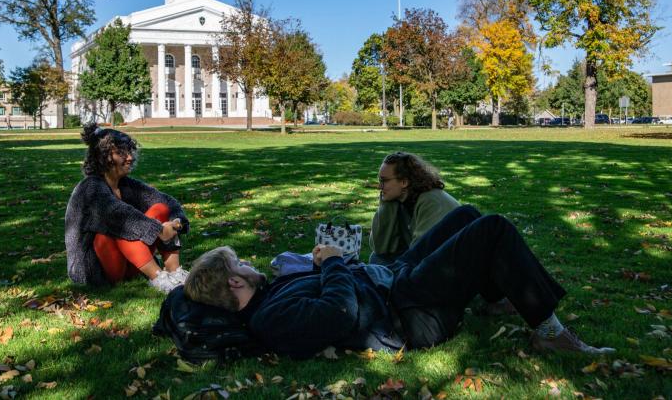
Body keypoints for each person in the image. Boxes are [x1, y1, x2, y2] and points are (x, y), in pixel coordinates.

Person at [184, 205, 615, 359]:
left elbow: (328, 293)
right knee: (493, 228)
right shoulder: (271, 318)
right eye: (240, 263)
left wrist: (323, 263)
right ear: (236, 285)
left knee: (465, 215)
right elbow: (338, 313)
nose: (248, 262)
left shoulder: (270, 295)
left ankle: (500, 296)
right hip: (406, 313)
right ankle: (550, 331)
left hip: (389, 279)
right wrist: (333, 264)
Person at [65, 123, 189, 292]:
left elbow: (167, 201)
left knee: (159, 208)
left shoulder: (126, 184)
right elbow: (119, 215)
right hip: (95, 270)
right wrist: (160, 230)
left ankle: (174, 272)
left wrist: (176, 222)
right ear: (104, 156)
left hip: (128, 264)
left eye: (130, 151)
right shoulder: (90, 187)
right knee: (121, 224)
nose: (130, 157)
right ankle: (159, 279)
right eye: (122, 153)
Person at [369, 152, 460, 265]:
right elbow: (380, 247)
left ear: (404, 182)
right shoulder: (401, 200)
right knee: (377, 258)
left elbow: (419, 253)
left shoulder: (431, 202)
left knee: (381, 267)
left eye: (384, 181)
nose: (379, 186)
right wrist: (386, 203)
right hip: (424, 259)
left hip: (448, 264)